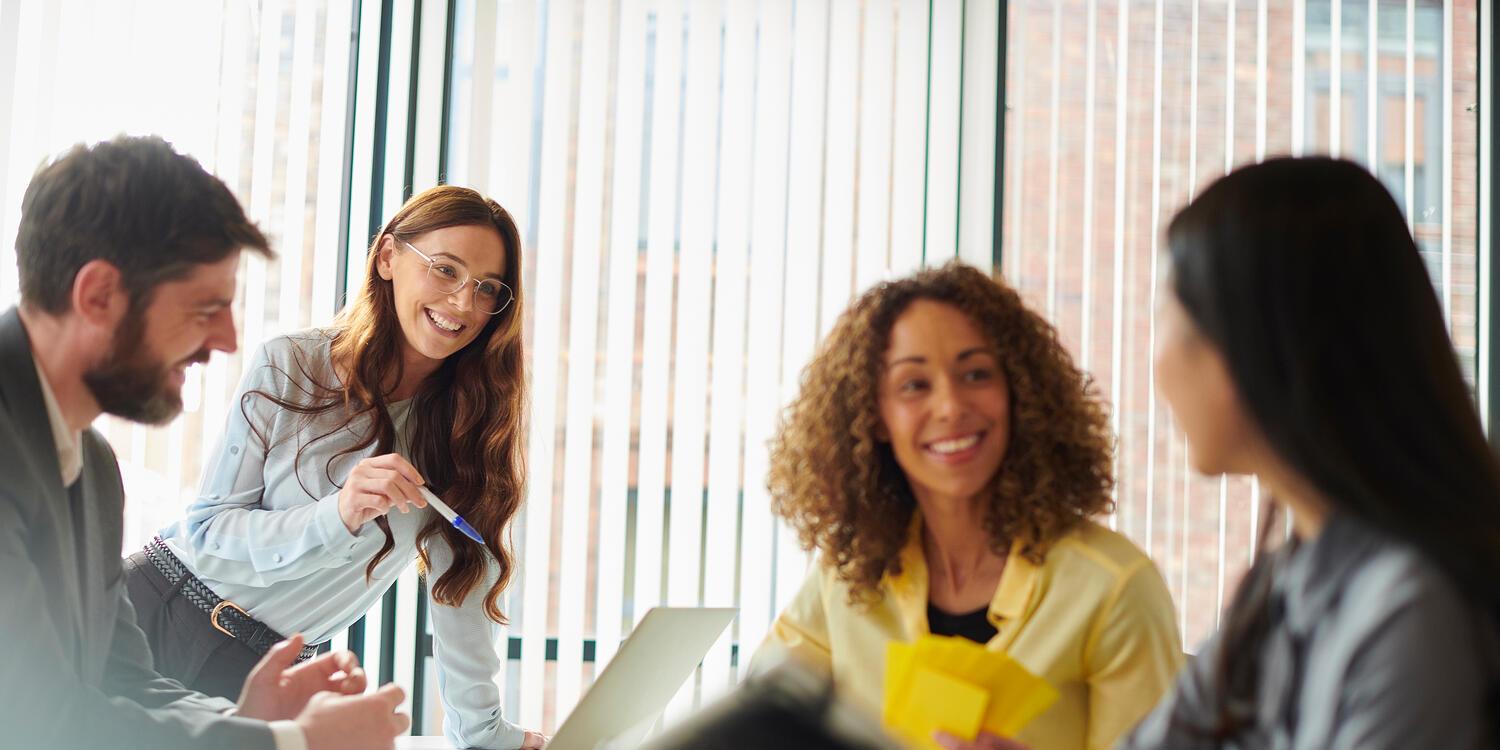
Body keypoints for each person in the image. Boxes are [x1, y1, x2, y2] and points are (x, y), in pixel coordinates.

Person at [948, 158, 1500, 750]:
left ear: (1252, 344)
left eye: (1164, 317)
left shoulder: (1408, 614)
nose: (1155, 363)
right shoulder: (1285, 582)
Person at [0, 136, 408, 749]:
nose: (225, 339)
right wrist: (289, 745)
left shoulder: (92, 463)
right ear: (98, 295)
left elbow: (126, 682)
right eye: (205, 308)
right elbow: (35, 722)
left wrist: (248, 722)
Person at [123, 184, 546, 749]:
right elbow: (207, 530)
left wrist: (487, 735)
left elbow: (460, 587)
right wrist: (338, 514)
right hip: (153, 617)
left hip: (272, 677)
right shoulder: (292, 363)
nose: (463, 304)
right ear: (389, 257)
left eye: (486, 288)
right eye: (445, 270)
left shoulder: (467, 430)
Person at [754, 263, 1185, 750]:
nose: (951, 406)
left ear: (1018, 395)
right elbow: (758, 720)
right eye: (914, 385)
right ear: (874, 417)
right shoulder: (847, 579)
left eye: (976, 374)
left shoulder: (1113, 590)